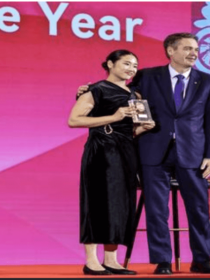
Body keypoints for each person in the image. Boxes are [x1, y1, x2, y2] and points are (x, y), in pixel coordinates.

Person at [77, 32, 210, 275]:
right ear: (170, 51)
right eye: (187, 48)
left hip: (193, 154)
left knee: (198, 208)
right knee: (156, 209)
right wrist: (89, 90)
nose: (194, 53)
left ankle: (201, 259)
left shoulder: (208, 81)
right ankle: (162, 260)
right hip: (153, 151)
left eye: (196, 49)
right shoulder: (147, 76)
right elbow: (116, 89)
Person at [68, 49, 155, 276]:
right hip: (101, 151)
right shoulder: (96, 89)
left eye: (134, 65)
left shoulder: (135, 95)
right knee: (97, 202)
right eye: (126, 63)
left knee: (120, 204)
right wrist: (114, 117)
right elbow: (74, 120)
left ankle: (111, 260)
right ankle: (91, 261)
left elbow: (131, 129)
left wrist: (142, 128)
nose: (131, 69)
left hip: (126, 152)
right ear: (110, 64)